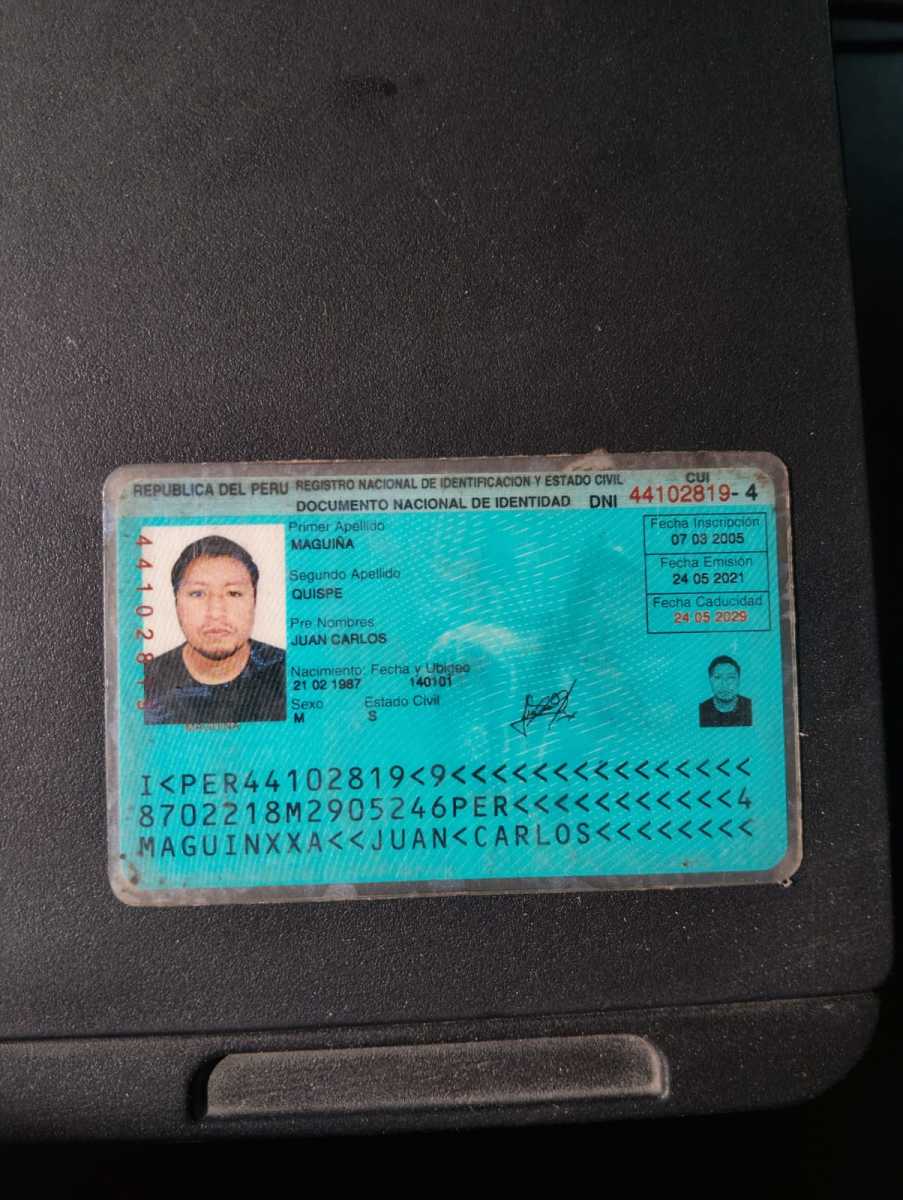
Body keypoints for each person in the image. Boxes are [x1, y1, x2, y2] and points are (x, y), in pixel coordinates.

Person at [143, 534, 285, 725]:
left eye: (233, 593)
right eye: (198, 593)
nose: (216, 613)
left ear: (254, 601)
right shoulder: (144, 681)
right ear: (176, 603)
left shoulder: (289, 674)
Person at [698, 655, 752, 727]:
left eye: (731, 677)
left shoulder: (750, 707)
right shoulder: (700, 711)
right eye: (717, 677)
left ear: (739, 680)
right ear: (710, 680)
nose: (724, 685)